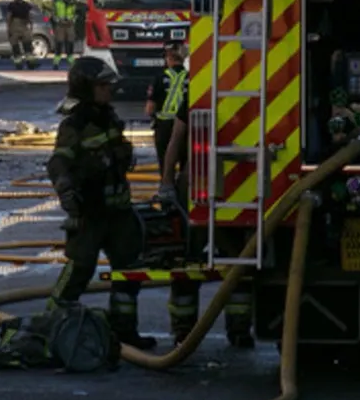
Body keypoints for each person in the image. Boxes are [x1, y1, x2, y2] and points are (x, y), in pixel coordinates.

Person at [46, 57, 156, 350]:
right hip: (91, 213)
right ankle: (51, 325)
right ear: (86, 88)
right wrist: (67, 194)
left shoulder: (108, 117)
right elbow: (58, 164)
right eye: (103, 85)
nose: (110, 90)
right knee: (79, 270)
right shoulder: (75, 124)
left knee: (130, 271)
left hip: (119, 212)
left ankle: (124, 332)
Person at [159, 88, 254, 348]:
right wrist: (167, 181)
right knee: (237, 258)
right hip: (236, 185)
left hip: (197, 184)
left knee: (190, 260)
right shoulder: (247, 87)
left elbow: (176, 139)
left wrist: (167, 181)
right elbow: (177, 138)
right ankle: (238, 330)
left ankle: (184, 331)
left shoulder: (200, 89)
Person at [146, 44, 189, 186]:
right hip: (186, 125)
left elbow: (150, 108)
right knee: (186, 164)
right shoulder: (191, 76)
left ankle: (167, 193)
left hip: (164, 126)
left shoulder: (159, 78)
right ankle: (184, 195)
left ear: (169, 59)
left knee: (166, 165)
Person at [6, 0, 38, 70]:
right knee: (16, 47)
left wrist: (31, 26)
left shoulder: (25, 5)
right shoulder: (13, 5)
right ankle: (20, 64)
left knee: (27, 46)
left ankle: (30, 63)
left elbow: (29, 16)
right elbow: (9, 17)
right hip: (16, 25)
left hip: (23, 25)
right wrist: (9, 28)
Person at [50, 0, 78, 70]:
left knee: (70, 42)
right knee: (59, 42)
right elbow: (52, 10)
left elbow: (76, 10)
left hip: (70, 23)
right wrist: (56, 19)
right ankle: (56, 62)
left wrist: (73, 20)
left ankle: (71, 60)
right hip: (60, 24)